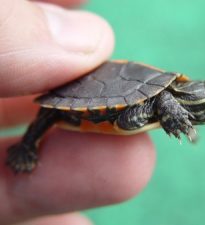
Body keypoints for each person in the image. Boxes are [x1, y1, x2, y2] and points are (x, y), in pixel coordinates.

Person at [0, 0, 156, 224]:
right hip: (85, 96)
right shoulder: (164, 100)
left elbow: (132, 120)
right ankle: (26, 146)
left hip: (120, 103)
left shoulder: (162, 100)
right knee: (50, 112)